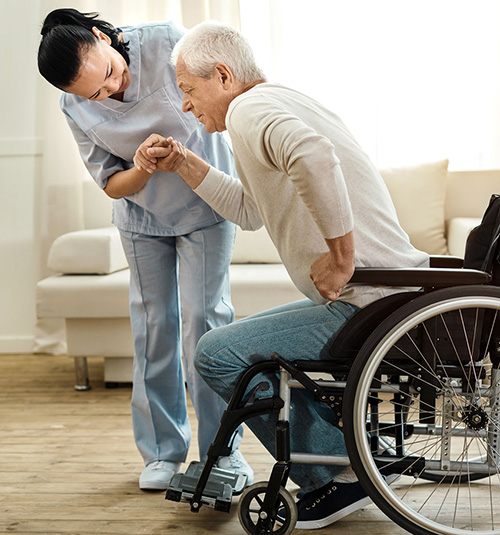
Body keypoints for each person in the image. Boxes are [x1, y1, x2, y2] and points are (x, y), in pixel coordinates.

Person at [133, 20, 430, 528]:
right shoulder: (275, 100)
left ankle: (337, 477)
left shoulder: (251, 110)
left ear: (223, 76)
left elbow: (314, 156)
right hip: (385, 296)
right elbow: (251, 210)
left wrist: (341, 256)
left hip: (369, 302)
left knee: (216, 353)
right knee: (238, 344)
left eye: (188, 89)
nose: (185, 105)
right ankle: (356, 456)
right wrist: (183, 162)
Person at [37, 10, 253, 491]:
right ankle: (162, 452)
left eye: (110, 74)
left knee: (206, 323)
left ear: (102, 37)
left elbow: (225, 98)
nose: (110, 91)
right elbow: (113, 184)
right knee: (154, 329)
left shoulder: (168, 43)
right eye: (95, 94)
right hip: (141, 217)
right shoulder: (74, 107)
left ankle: (224, 453)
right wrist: (143, 166)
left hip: (205, 202)